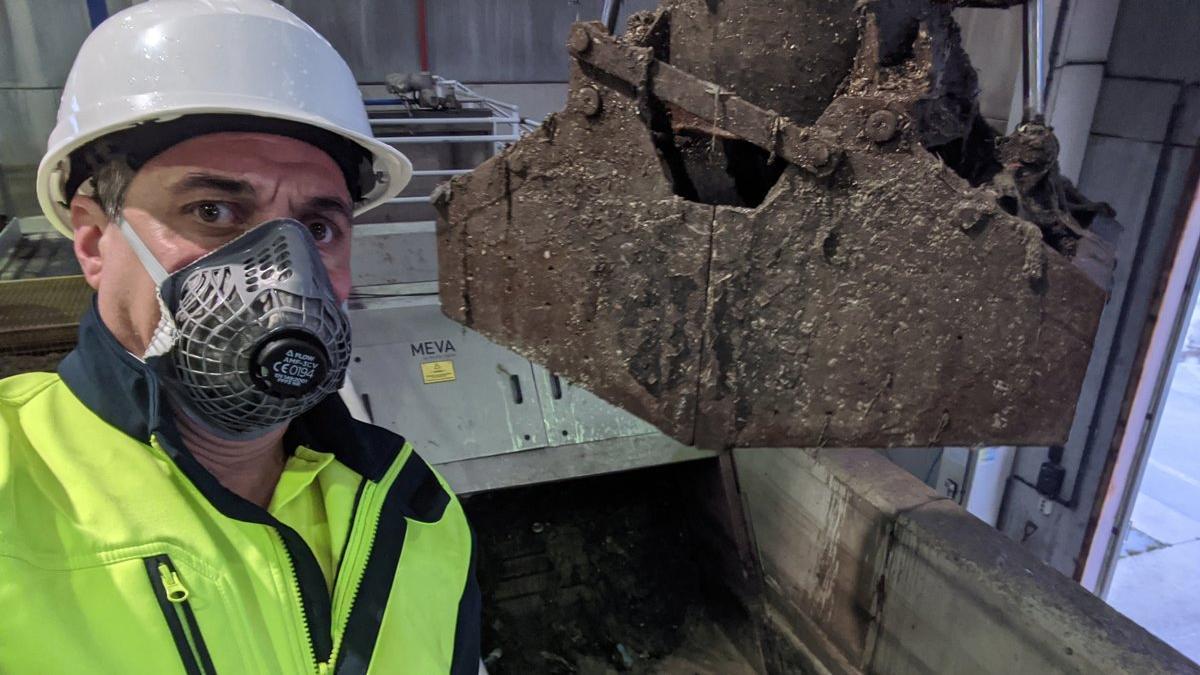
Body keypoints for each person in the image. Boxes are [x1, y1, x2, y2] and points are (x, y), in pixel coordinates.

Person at [0, 1, 480, 673]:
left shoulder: (415, 507)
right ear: (92, 240)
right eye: (213, 211)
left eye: (317, 230)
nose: (283, 275)